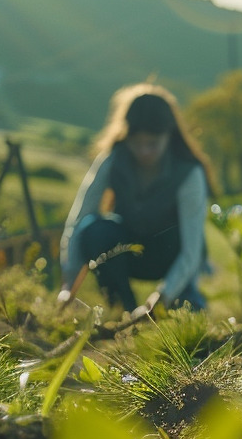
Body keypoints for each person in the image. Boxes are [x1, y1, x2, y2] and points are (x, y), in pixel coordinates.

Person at [58, 83, 215, 319]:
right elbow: (79, 220)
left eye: (152, 144)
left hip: (170, 255)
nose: (143, 152)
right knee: (93, 230)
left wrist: (162, 297)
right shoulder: (112, 160)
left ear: (168, 136)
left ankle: (182, 298)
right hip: (128, 250)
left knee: (185, 312)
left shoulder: (189, 173)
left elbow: (192, 250)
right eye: (137, 143)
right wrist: (68, 284)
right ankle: (124, 309)